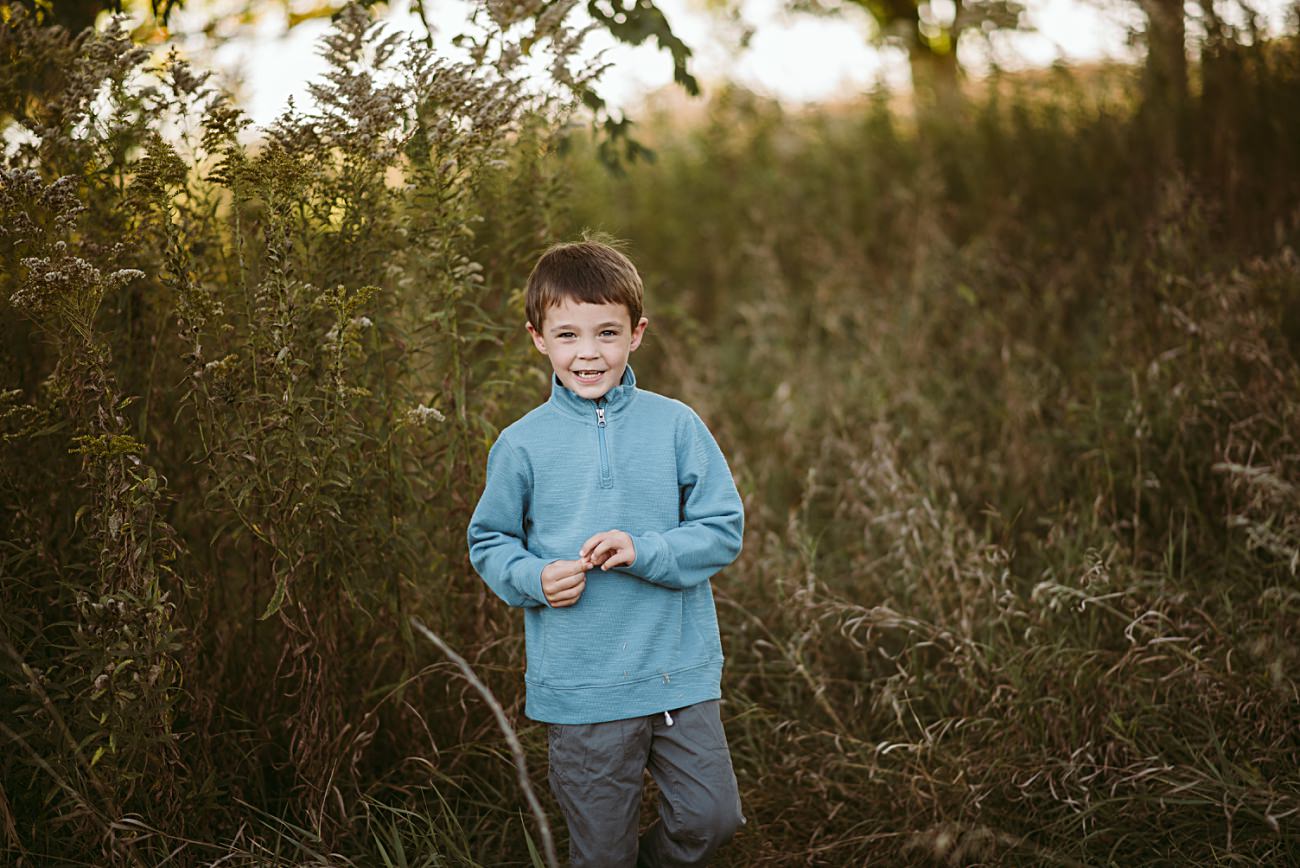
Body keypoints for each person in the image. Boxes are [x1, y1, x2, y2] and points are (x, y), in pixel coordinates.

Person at [467, 238, 747, 866]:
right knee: (601, 851)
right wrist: (534, 578)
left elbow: (722, 527)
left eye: (606, 333)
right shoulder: (521, 445)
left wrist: (645, 549)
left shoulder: (675, 425)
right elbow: (489, 541)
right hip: (582, 685)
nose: (588, 353)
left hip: (677, 673)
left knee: (711, 819)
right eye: (567, 335)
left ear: (636, 333)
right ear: (538, 338)